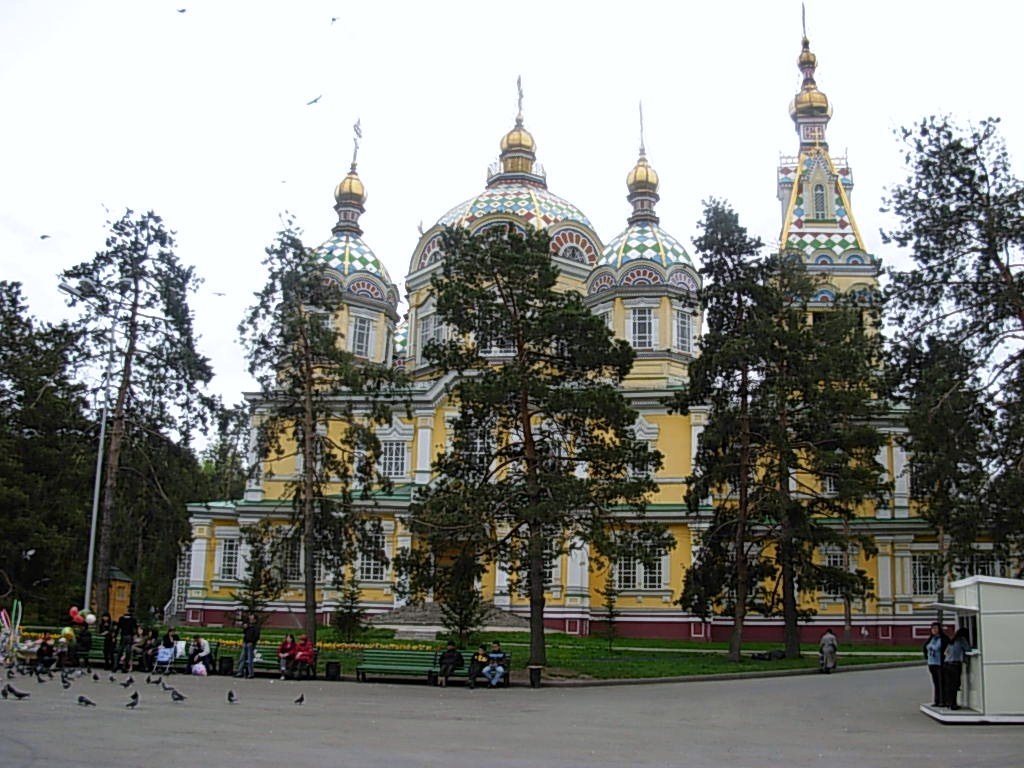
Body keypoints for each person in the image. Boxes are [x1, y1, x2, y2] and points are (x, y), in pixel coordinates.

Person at [922, 622, 950, 707]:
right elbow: (926, 647)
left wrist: (930, 646)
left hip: (940, 663)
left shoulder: (943, 639)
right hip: (932, 663)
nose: (934, 630)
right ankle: (937, 700)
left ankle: (943, 701)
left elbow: (936, 647)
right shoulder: (932, 638)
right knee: (936, 683)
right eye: (932, 628)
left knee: (942, 682)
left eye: (936, 628)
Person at [944, 627, 971, 710]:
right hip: (955, 664)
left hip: (947, 663)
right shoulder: (962, 640)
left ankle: (948, 702)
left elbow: (946, 652)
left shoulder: (951, 640)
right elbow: (968, 649)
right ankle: (953, 704)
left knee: (948, 685)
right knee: (955, 685)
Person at [236, 613, 260, 679]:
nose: (250, 620)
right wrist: (245, 628)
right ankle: (239, 672)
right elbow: (245, 633)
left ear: (255, 620)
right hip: (245, 643)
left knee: (250, 659)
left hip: (251, 644)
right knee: (242, 658)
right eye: (250, 619)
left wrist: (252, 642)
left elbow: (256, 636)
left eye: (252, 619)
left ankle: (250, 673)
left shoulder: (256, 627)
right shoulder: (248, 626)